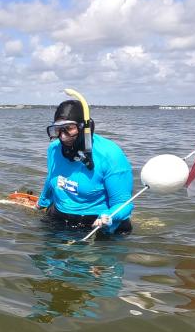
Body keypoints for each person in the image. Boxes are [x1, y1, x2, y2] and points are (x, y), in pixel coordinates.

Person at [37, 93, 134, 235]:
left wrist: (110, 216)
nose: (62, 136)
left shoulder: (110, 154)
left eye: (69, 128)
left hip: (97, 225)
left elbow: (124, 204)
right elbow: (53, 177)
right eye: (58, 129)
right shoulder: (54, 148)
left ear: (83, 127)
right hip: (58, 219)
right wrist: (42, 201)